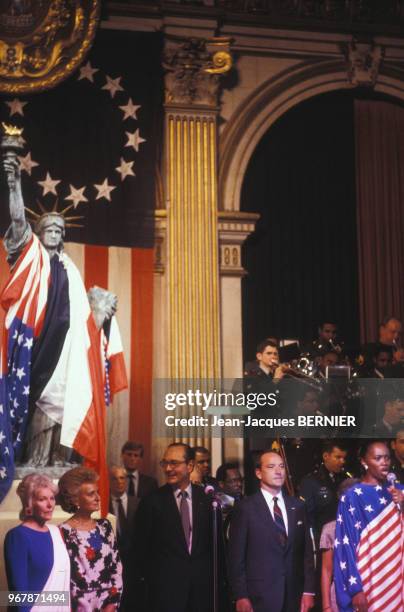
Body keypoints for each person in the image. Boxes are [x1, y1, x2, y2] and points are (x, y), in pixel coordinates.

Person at [0, 142, 127, 504]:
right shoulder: (31, 254)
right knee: (35, 401)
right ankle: (32, 461)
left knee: (64, 399)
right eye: (49, 227)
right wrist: (13, 184)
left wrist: (101, 318)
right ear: (40, 233)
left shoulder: (70, 269)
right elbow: (18, 220)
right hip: (35, 344)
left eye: (58, 228)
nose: (54, 231)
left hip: (66, 348)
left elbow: (83, 316)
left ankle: (56, 459)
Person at [133, 442, 223, 612]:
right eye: (164, 463)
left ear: (190, 466)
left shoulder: (208, 500)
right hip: (165, 595)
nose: (167, 468)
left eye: (174, 463)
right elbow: (140, 553)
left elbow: (216, 550)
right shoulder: (151, 502)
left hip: (203, 593)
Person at [228, 450, 315, 612]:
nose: (278, 471)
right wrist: (241, 595)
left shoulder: (298, 506)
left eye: (281, 466)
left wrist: (308, 590)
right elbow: (236, 557)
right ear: (259, 473)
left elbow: (307, 554)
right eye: (271, 466)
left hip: (294, 596)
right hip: (258, 597)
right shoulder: (245, 508)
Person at [334, 440, 404, 611]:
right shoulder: (351, 497)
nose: (384, 462)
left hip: (397, 579)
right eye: (378, 458)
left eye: (387, 458)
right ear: (364, 462)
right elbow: (345, 545)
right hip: (369, 580)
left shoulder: (399, 491)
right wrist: (356, 589)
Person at [58, 467, 122, 611]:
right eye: (91, 494)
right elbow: (67, 577)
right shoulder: (63, 532)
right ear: (75, 500)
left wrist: (112, 604)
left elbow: (116, 568)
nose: (98, 497)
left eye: (97, 492)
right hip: (79, 606)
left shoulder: (105, 526)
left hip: (109, 604)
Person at [4, 473, 70, 612]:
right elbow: (18, 596)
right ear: (29, 503)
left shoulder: (56, 532)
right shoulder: (18, 536)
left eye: (52, 498)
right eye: (42, 499)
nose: (49, 504)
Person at [319, 478, 360, 612]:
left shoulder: (374, 526)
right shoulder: (330, 529)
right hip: (340, 597)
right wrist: (326, 606)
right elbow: (326, 570)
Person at [299, 440, 349, 544]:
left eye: (344, 458)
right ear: (326, 456)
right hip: (323, 540)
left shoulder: (346, 479)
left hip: (345, 537)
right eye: (338, 457)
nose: (342, 461)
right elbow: (308, 517)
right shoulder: (311, 481)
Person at [109, 465, 140, 611]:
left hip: (135, 565)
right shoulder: (102, 505)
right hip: (112, 565)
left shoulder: (139, 503)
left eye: (122, 478)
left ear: (127, 480)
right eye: (114, 478)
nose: (119, 482)